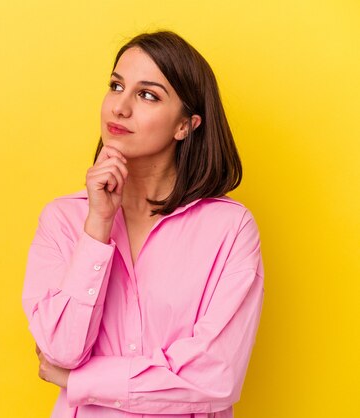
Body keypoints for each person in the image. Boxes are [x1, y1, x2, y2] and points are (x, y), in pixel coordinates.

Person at [21, 30, 264, 418]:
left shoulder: (229, 229)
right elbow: (60, 350)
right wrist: (98, 226)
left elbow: (215, 377)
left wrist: (82, 380)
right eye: (116, 86)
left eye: (147, 94)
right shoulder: (63, 220)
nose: (119, 107)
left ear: (185, 125)